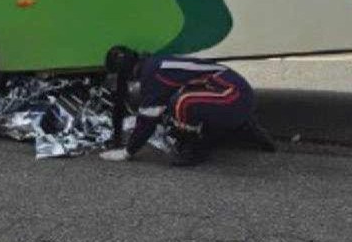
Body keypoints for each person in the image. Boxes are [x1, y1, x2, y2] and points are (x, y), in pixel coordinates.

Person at [100, 46, 276, 166]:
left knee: (182, 103)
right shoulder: (155, 64)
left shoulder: (152, 77)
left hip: (232, 96)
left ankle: (196, 150)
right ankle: (244, 127)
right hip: (238, 92)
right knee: (178, 103)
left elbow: (147, 120)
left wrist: (128, 152)